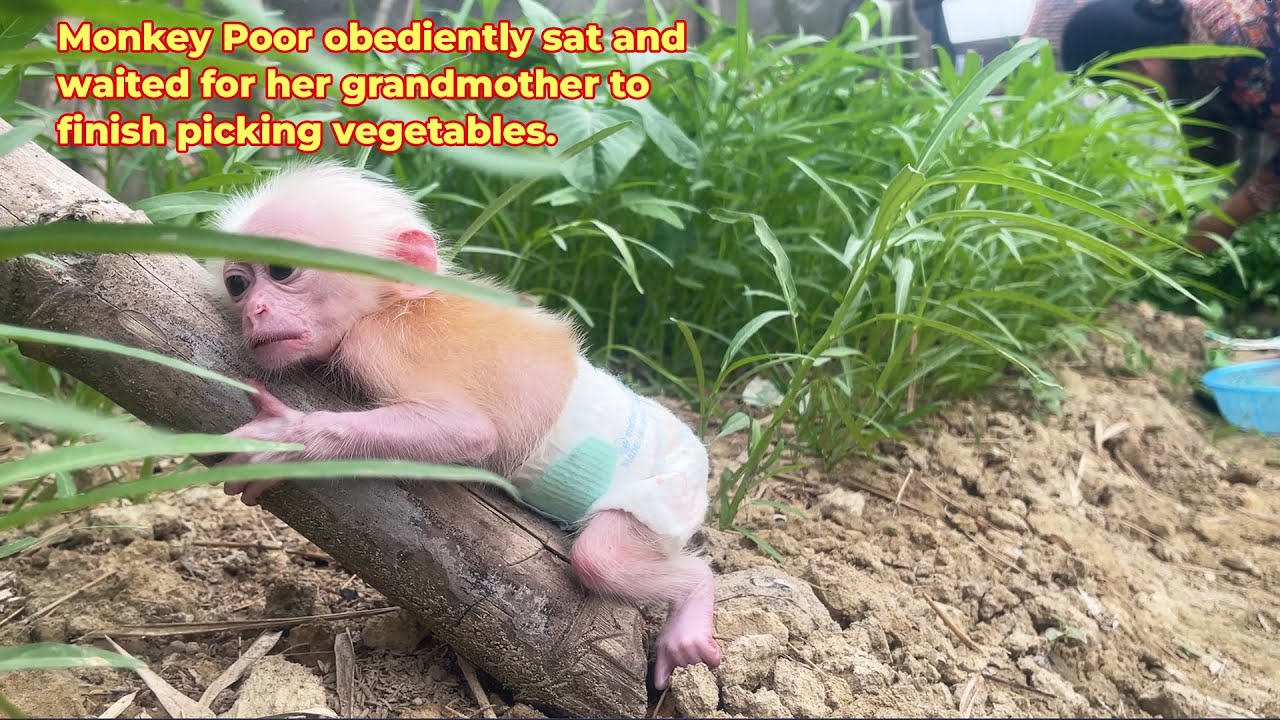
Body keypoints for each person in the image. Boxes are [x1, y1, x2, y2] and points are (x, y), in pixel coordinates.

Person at [1060, 0, 1280, 254]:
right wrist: (1152, 214)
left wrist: (1224, 220)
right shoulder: (1195, 60)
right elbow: (1206, 144)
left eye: (1127, 96)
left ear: (1137, 69)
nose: (1143, 108)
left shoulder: (1233, 49)